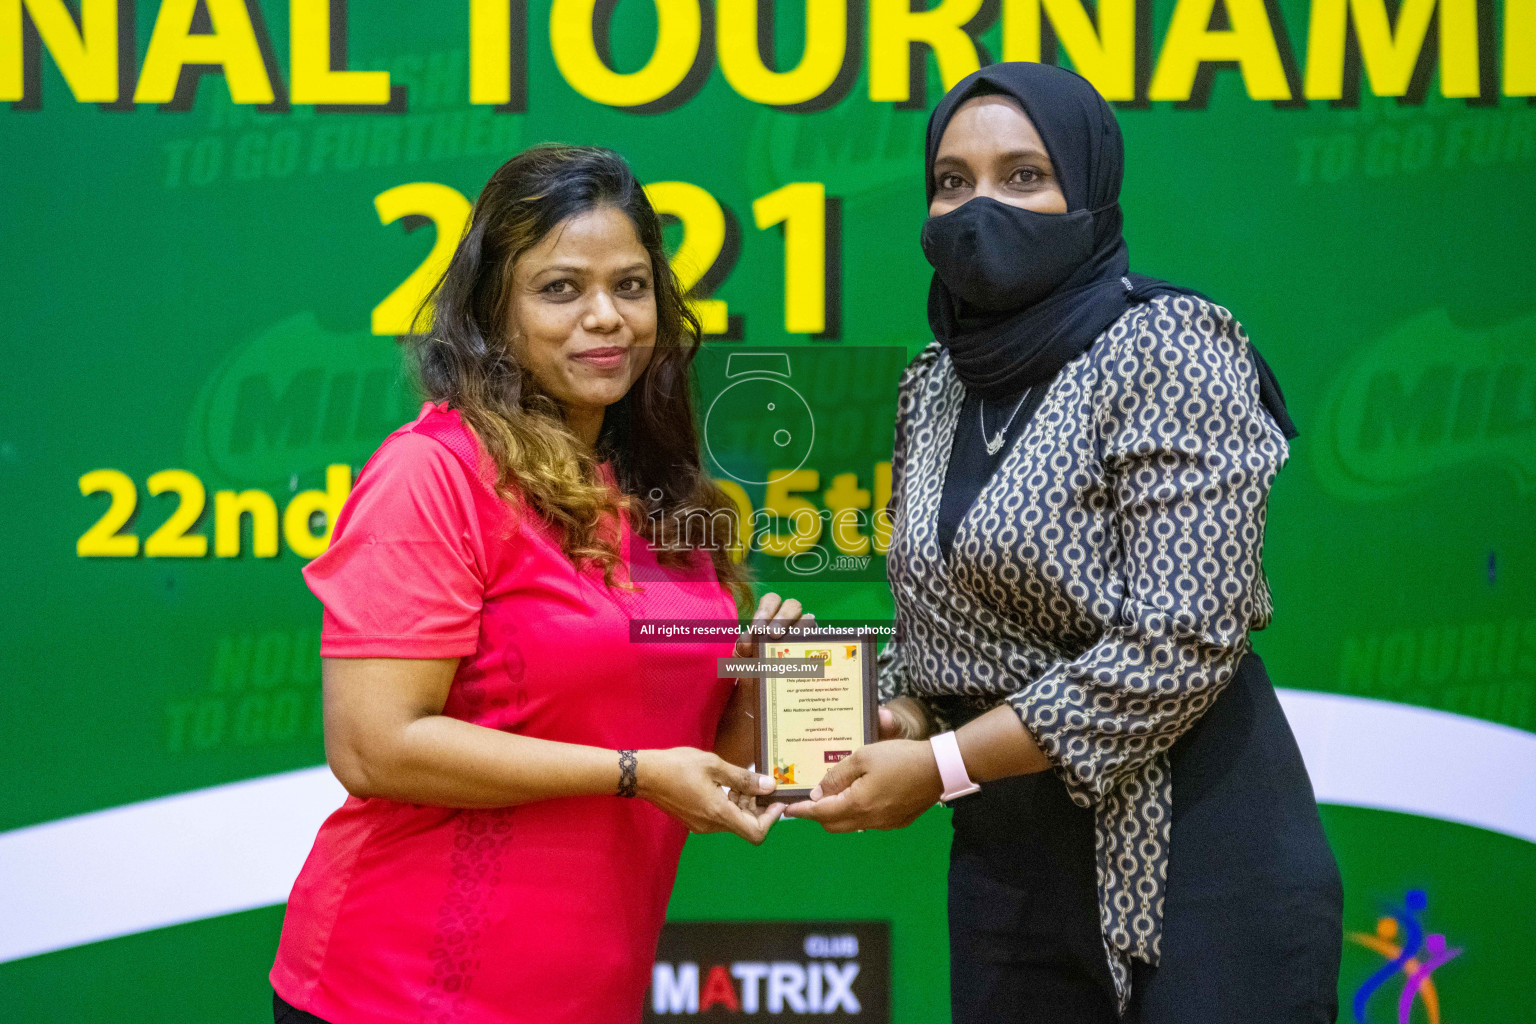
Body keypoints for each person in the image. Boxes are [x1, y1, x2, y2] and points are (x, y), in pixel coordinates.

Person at [786, 63, 1344, 1022]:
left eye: (1023, 177)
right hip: (1010, 884)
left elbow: (1182, 643)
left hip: (1198, 873)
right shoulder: (936, 383)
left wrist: (945, 764)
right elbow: (947, 638)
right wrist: (903, 720)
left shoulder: (1168, 345)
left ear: (1086, 191)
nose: (979, 209)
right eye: (952, 182)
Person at [269, 144, 811, 1024]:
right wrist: (633, 773)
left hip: (588, 995)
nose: (606, 318)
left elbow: (704, 769)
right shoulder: (434, 472)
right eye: (560, 289)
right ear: (497, 314)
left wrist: (760, 683)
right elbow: (373, 745)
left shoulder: (668, 497)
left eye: (632, 287)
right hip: (403, 992)